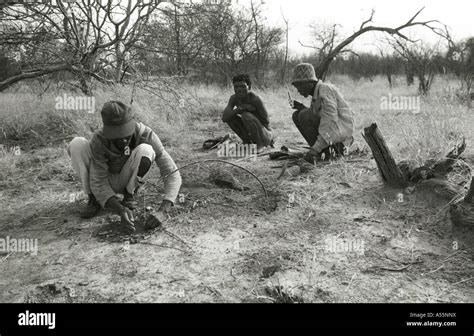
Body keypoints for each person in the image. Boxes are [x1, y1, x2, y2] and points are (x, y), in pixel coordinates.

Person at [67, 101, 182, 232]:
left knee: (146, 150)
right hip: (104, 182)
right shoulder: (99, 139)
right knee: (77, 144)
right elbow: (98, 180)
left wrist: (163, 211)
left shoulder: (146, 134)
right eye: (116, 136)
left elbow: (172, 172)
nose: (123, 140)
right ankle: (94, 199)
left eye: (125, 133)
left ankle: (129, 195)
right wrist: (119, 209)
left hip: (127, 180)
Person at [290, 63, 354, 163]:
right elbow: (320, 116)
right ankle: (323, 152)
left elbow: (330, 121)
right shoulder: (317, 93)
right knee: (297, 115)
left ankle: (326, 153)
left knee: (303, 115)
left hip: (340, 142)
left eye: (299, 85)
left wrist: (315, 149)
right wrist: (303, 108)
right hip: (333, 137)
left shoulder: (325, 89)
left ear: (309, 82)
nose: (298, 90)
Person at [222, 74, 273, 153]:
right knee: (231, 118)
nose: (239, 89)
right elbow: (224, 118)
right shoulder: (234, 98)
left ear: (249, 87)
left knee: (246, 116)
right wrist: (239, 109)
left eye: (242, 86)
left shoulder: (255, 99)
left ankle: (260, 145)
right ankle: (247, 142)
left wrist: (252, 114)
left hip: (266, 135)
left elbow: (266, 122)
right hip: (251, 132)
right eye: (236, 87)